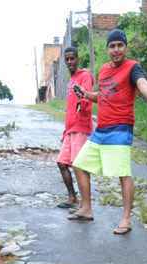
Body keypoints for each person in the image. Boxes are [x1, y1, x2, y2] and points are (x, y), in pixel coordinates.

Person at [70, 29, 147, 234]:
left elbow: (143, 84)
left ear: (125, 47)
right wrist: (86, 94)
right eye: (112, 46)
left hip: (120, 129)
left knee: (122, 174)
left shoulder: (132, 67)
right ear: (108, 49)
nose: (116, 50)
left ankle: (126, 219)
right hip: (100, 130)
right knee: (79, 165)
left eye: (120, 45)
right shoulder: (104, 70)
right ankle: (87, 208)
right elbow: (103, 95)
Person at [56, 47, 94, 209]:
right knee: (62, 163)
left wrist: (82, 100)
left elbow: (87, 100)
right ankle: (72, 198)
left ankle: (85, 205)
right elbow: (70, 108)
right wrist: (65, 131)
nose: (70, 61)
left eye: (73, 58)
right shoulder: (71, 80)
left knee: (80, 166)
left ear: (78, 59)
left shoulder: (85, 76)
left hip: (81, 128)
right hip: (70, 130)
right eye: (67, 59)